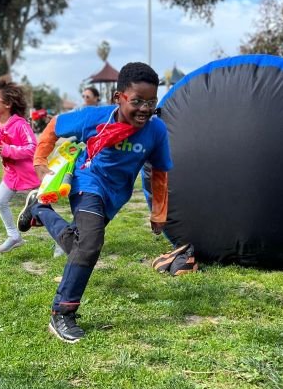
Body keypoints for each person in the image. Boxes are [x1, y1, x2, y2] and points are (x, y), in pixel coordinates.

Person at [17, 62, 172, 342]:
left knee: (78, 246)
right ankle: (62, 313)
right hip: (87, 183)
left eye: (151, 102)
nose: (145, 109)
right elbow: (54, 126)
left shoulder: (156, 131)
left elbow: (158, 173)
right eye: (137, 101)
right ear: (118, 98)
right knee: (89, 245)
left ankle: (39, 209)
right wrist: (39, 162)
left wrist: (159, 212)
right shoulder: (94, 118)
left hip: (115, 196)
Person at [0, 77, 39, 253]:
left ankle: (61, 240)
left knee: (42, 212)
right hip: (10, 175)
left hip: (30, 174)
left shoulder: (21, 125)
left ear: (7, 104)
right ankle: (14, 236)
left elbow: (32, 148)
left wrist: (8, 149)